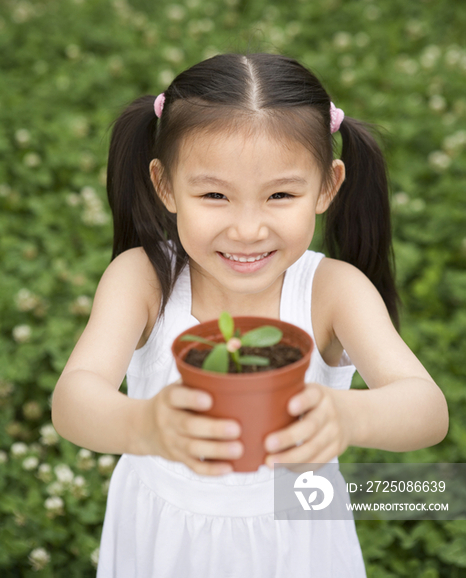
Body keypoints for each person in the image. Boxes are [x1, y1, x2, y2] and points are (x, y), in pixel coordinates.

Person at [51, 53, 448, 577]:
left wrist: (348, 415)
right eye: (214, 194)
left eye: (280, 195)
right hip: (163, 538)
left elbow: (427, 410)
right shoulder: (143, 279)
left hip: (296, 534)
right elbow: (73, 400)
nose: (247, 229)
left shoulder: (331, 291)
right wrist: (144, 424)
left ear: (327, 187)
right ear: (165, 185)